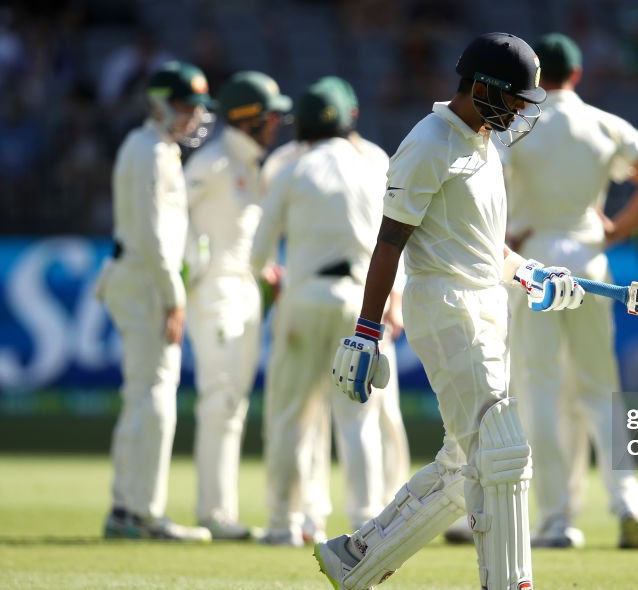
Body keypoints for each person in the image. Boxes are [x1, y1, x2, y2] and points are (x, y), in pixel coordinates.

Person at [319, 32, 581, 590]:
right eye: (514, 98)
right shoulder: (428, 143)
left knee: (466, 463)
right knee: (502, 448)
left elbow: (483, 245)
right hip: (447, 307)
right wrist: (366, 329)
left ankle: (355, 559)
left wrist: (531, 273)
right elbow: (390, 240)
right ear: (481, 88)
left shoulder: (483, 143)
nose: (521, 110)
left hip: (487, 302)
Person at [502, 32, 638, 549]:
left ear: (535, 77)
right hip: (589, 257)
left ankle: (558, 520)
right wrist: (616, 230)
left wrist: (503, 237)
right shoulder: (604, 122)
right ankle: (628, 504)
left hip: (534, 259)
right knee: (600, 390)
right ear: (576, 75)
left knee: (540, 387)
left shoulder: (519, 121)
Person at [261, 76, 411, 543]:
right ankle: (367, 524)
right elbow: (395, 242)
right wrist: (394, 302)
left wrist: (274, 282)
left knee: (291, 415)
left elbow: (258, 253)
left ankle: (284, 524)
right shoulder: (375, 165)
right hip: (360, 303)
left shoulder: (291, 169)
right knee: (358, 419)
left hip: (305, 298)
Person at [97, 61, 215, 541]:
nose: (193, 117)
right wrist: (175, 297)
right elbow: (151, 235)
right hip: (146, 283)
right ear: (161, 103)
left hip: (141, 278)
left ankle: (127, 508)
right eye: (186, 106)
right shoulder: (148, 150)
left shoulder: (154, 148)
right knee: (154, 399)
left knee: (143, 396)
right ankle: (141, 512)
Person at [183, 70, 291, 540]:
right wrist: (197, 270)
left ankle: (219, 510)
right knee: (220, 401)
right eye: (270, 117)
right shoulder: (213, 163)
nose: (277, 125)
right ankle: (213, 513)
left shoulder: (248, 162)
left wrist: (262, 271)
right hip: (218, 295)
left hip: (245, 293)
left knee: (234, 404)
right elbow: (175, 217)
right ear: (248, 119)